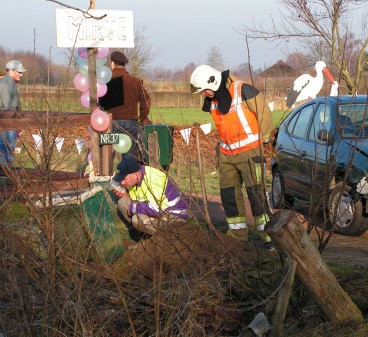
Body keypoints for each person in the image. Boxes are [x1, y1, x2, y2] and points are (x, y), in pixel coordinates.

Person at [190, 65, 274, 248]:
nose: (203, 94)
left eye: (203, 90)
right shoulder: (212, 99)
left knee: (256, 194)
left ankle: (268, 236)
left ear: (212, 82)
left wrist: (264, 139)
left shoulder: (242, 89)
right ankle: (237, 235)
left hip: (251, 152)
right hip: (227, 154)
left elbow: (264, 112)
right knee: (229, 196)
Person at [111, 156, 189, 236]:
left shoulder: (154, 179)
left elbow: (156, 209)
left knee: (137, 219)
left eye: (124, 179)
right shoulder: (136, 178)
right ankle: (142, 236)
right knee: (123, 202)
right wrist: (125, 193)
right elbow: (138, 199)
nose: (122, 183)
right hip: (157, 211)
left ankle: (162, 241)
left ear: (135, 175)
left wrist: (133, 207)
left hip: (173, 216)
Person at [98, 51, 151, 159]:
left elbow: (100, 104)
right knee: (130, 158)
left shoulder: (106, 82)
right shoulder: (135, 81)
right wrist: (143, 117)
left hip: (111, 124)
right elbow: (145, 101)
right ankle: (128, 174)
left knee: (106, 158)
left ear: (112, 63)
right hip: (130, 124)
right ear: (124, 65)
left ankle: (106, 176)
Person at [0, 60, 27, 167]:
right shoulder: (7, 84)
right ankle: (4, 175)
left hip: (8, 122)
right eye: (18, 72)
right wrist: (17, 124)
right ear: (10, 71)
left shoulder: (8, 82)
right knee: (6, 149)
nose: (20, 74)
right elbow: (9, 108)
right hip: (9, 123)